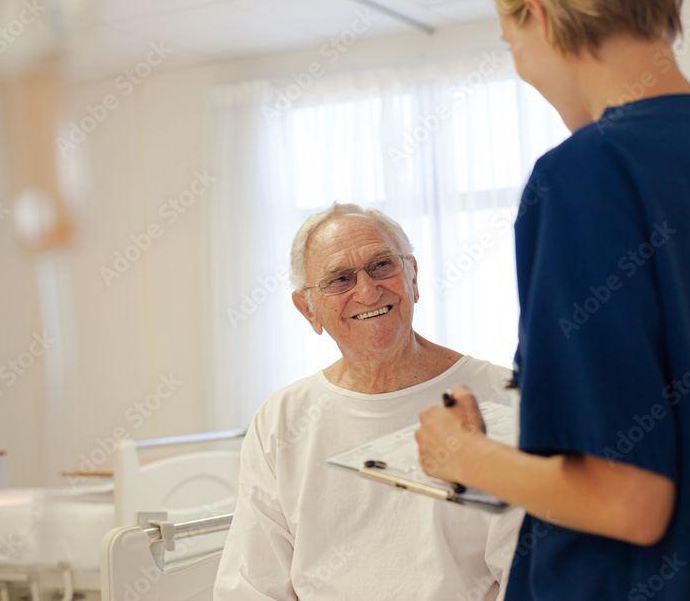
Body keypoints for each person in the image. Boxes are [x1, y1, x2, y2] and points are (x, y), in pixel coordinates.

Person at [414, 0, 690, 599]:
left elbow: (629, 501)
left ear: (537, 15)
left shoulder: (583, 176)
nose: (520, 64)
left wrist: (464, 456)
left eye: (508, 40)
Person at [214, 202, 523, 600]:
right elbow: (251, 582)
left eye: (381, 266)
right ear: (308, 309)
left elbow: (526, 571)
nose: (367, 290)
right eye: (340, 279)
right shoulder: (282, 419)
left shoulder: (499, 395)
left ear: (412, 276)